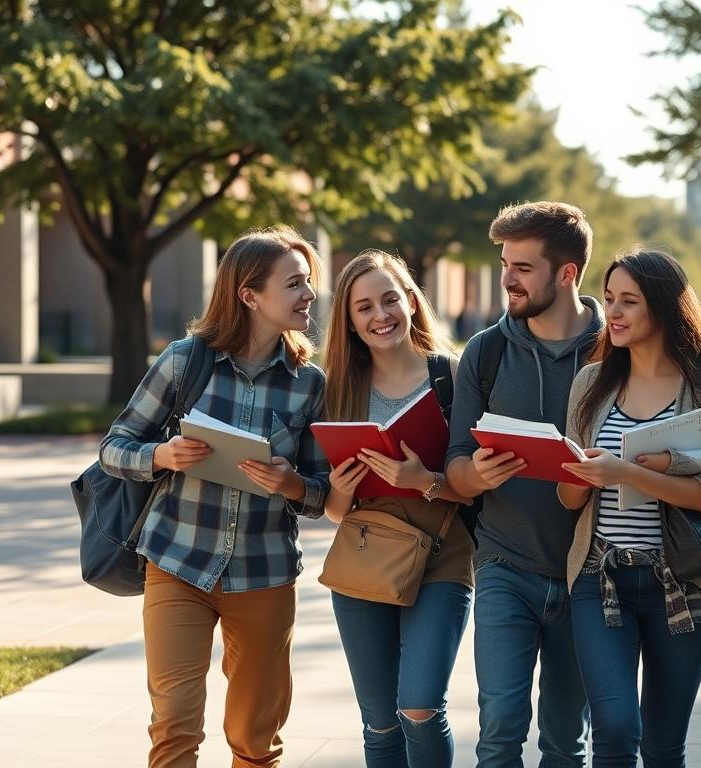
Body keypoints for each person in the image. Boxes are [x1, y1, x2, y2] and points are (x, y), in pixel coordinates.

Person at [99, 226, 330, 768]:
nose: (308, 295)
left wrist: (290, 483)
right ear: (249, 295)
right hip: (178, 562)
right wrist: (162, 456)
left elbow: (322, 493)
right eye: (294, 283)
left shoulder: (309, 383)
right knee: (175, 724)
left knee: (255, 737)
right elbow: (115, 447)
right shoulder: (185, 361)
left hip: (265, 573)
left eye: (308, 282)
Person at [557, 249, 701, 768]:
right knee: (614, 730)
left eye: (629, 301)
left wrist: (629, 472)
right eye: (610, 299)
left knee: (662, 747)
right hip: (598, 578)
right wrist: (578, 473)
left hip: (681, 584)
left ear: (664, 308)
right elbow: (567, 499)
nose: (615, 312)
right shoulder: (591, 382)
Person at [444, 201, 602, 767]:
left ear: (567, 274)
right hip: (504, 566)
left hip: (588, 574)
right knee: (500, 731)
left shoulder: (618, 351)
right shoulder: (485, 351)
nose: (507, 278)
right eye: (505, 263)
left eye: (523, 267)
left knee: (565, 742)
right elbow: (456, 468)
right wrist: (475, 475)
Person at [320, 250, 477, 767]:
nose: (379, 315)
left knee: (419, 707)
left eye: (390, 299)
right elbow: (337, 512)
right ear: (349, 320)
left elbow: (481, 489)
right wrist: (340, 489)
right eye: (363, 307)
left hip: (444, 556)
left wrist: (426, 481)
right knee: (380, 721)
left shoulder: (453, 377)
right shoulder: (339, 390)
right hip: (366, 556)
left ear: (411, 301)